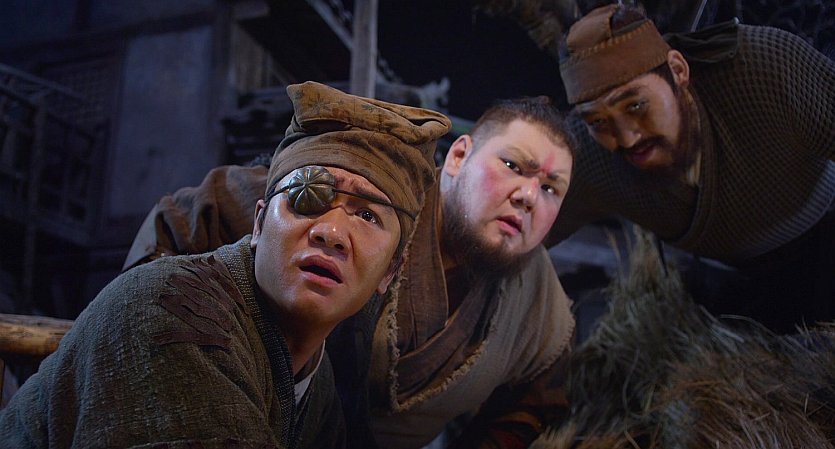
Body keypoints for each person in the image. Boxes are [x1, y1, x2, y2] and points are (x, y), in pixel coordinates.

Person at [0, 81, 451, 449]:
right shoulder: (171, 313)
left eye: (367, 215)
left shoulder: (319, 387)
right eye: (306, 196)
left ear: (389, 273)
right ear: (258, 223)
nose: (331, 232)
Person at [119, 96, 577, 449]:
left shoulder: (539, 304)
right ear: (458, 157)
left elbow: (539, 399)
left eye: (550, 188)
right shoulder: (373, 191)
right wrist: (164, 343)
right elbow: (194, 218)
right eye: (512, 166)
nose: (528, 196)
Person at [553, 3, 835, 332]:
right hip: (732, 284)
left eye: (636, 106)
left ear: (678, 71)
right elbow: (524, 234)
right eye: (598, 122)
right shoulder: (587, 154)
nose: (627, 138)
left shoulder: (766, 68)